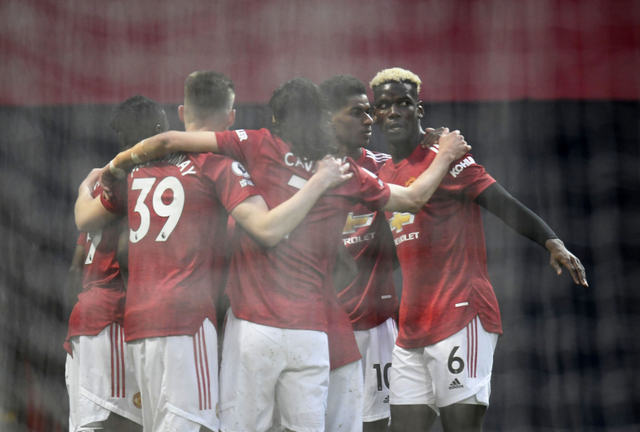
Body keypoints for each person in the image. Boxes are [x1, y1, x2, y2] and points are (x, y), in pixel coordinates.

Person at [103, 77, 471, 432]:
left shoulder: (256, 143)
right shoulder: (345, 172)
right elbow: (413, 197)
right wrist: (446, 155)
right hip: (310, 332)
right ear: (321, 120)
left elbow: (167, 139)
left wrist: (116, 166)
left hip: (252, 326)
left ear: (276, 119)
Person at [76, 72, 352, 432]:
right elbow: (266, 228)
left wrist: (91, 181)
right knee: (197, 426)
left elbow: (84, 219)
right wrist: (316, 184)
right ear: (231, 117)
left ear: (181, 111)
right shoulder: (220, 165)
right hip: (188, 319)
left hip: (139, 321)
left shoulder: (139, 168)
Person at [369, 67, 588, 432]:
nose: (394, 111)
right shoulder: (384, 174)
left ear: (419, 109)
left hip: (460, 313)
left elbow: (502, 204)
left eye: (404, 103)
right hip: (411, 328)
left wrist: (552, 240)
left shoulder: (448, 156)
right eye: (385, 105)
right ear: (375, 114)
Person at [65, 95, 169, 432]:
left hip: (84, 320)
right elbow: (126, 255)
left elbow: (74, 269)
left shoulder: (101, 185)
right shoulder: (141, 181)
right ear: (158, 129)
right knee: (123, 423)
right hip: (114, 316)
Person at [319, 75, 397, 432]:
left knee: (375, 425)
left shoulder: (384, 165)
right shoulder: (305, 171)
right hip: (321, 328)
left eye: (370, 112)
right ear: (326, 118)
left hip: (375, 325)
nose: (370, 121)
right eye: (357, 113)